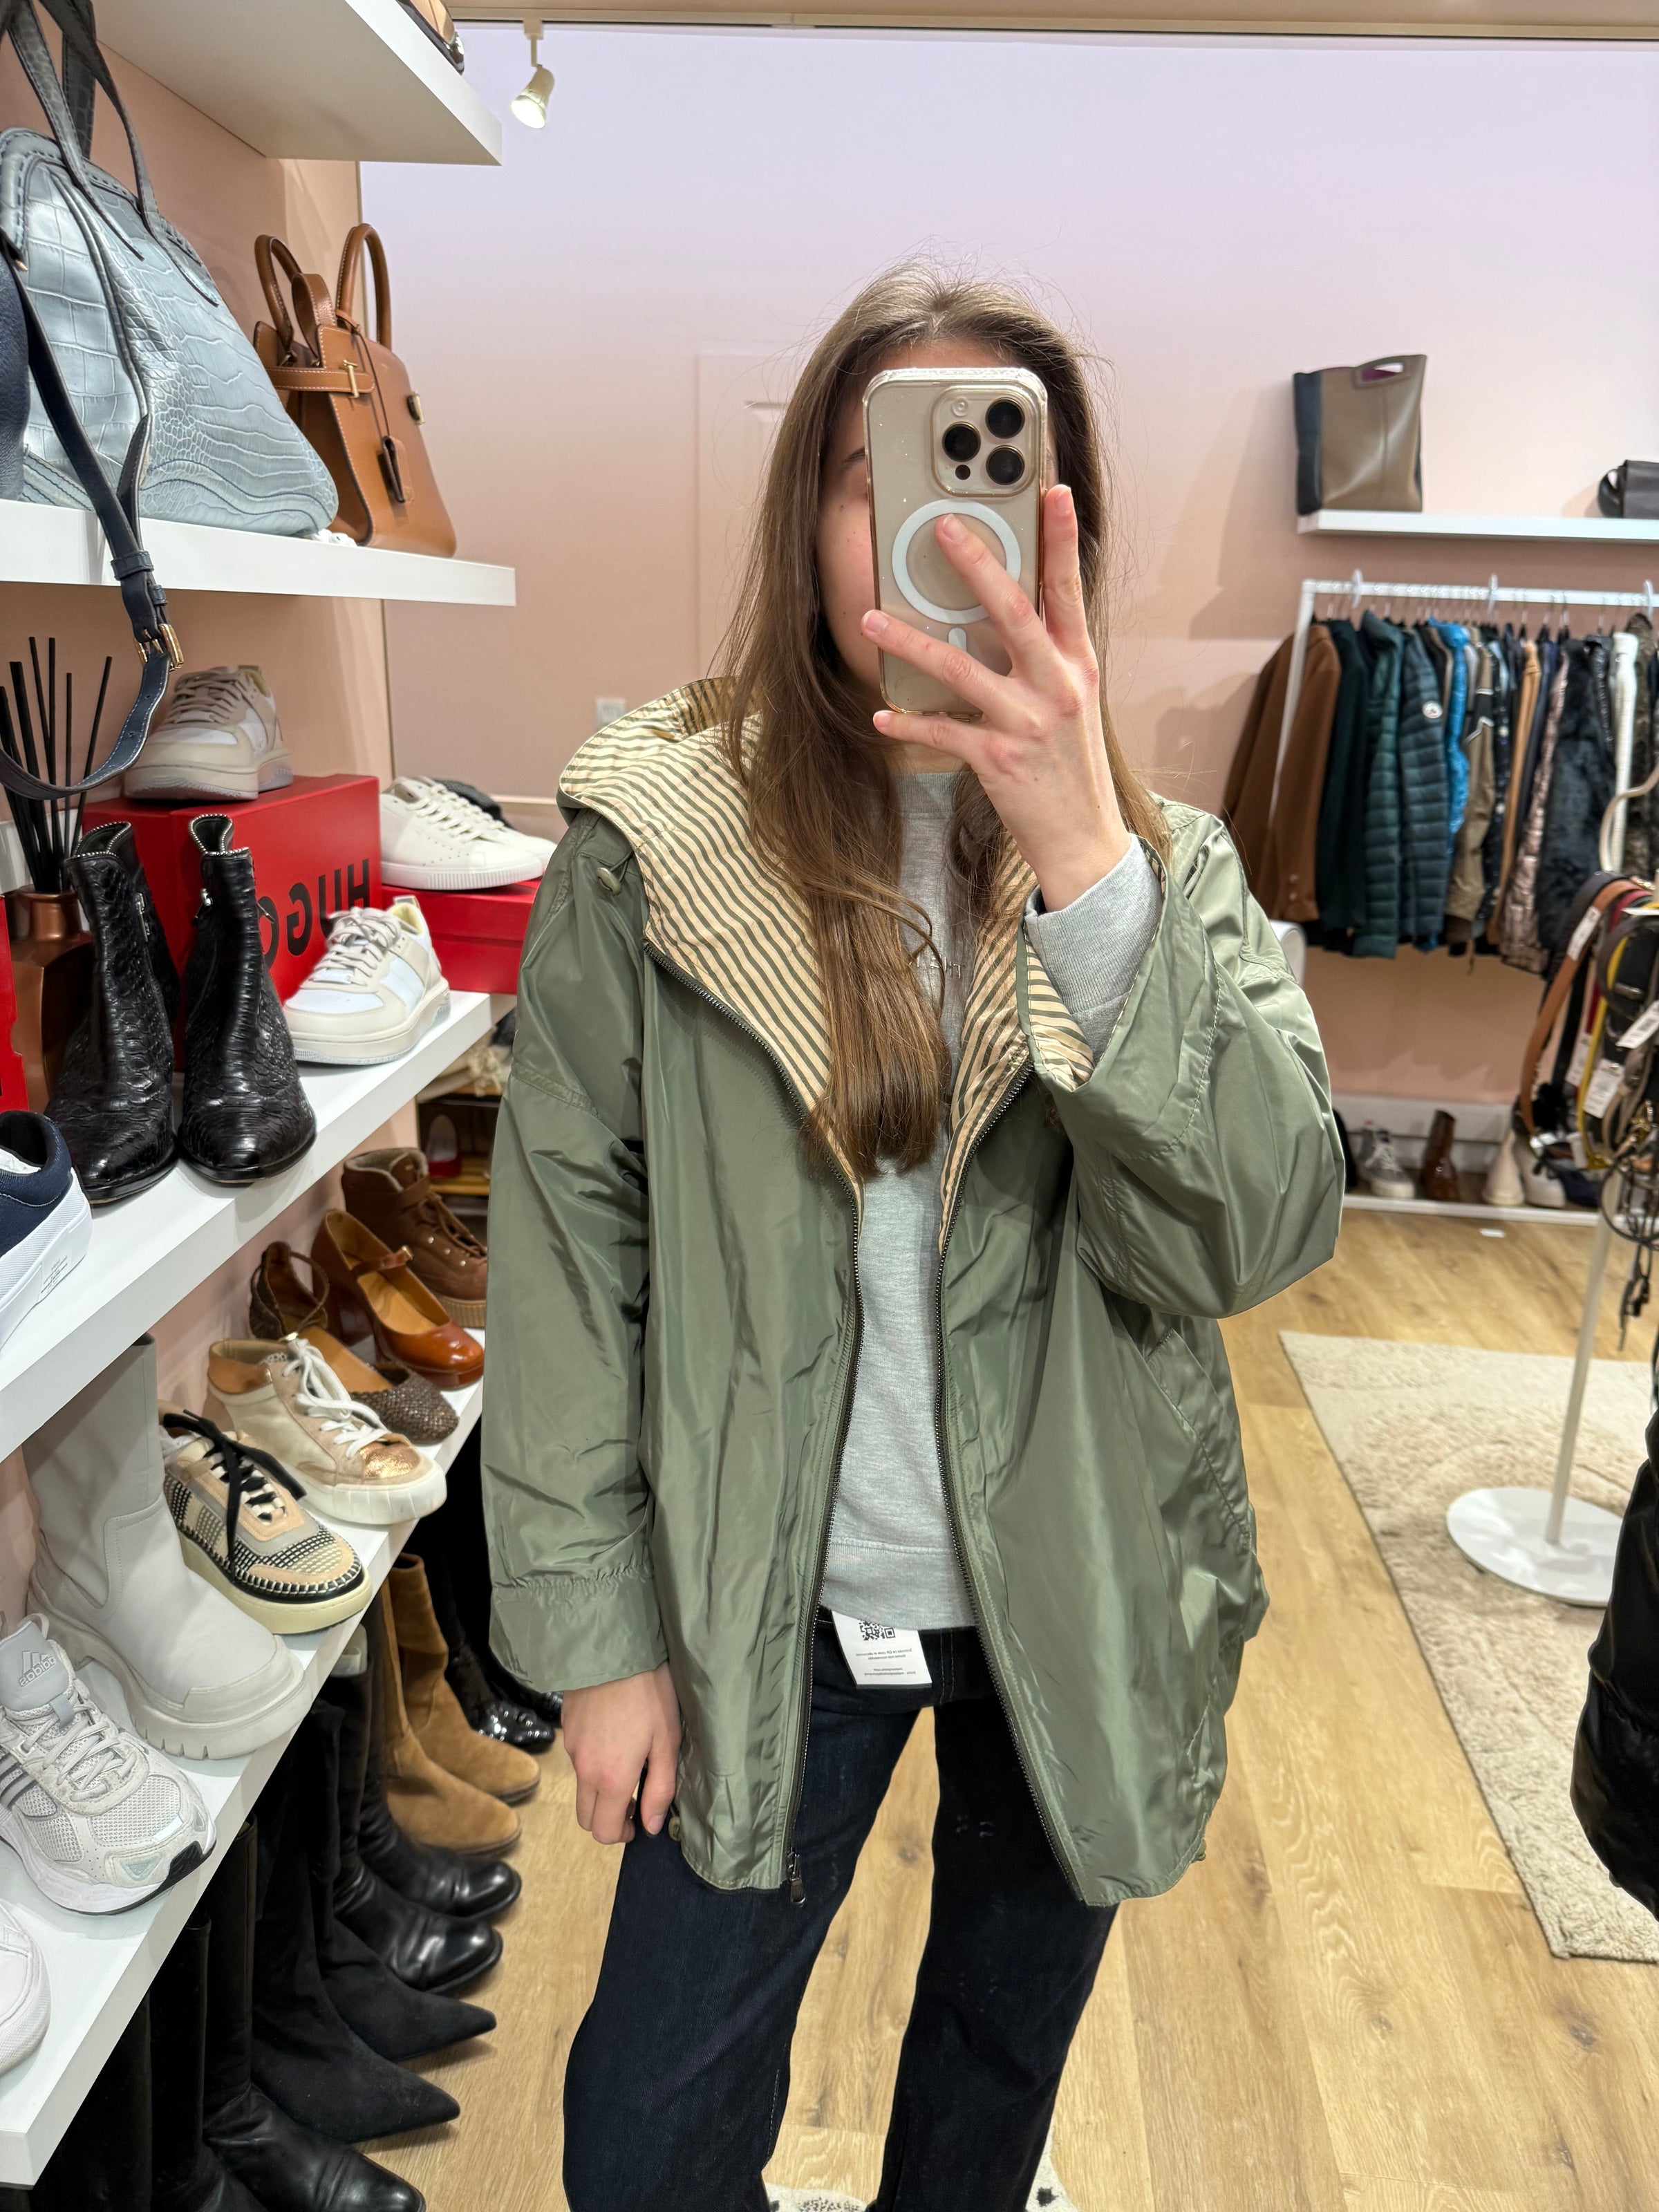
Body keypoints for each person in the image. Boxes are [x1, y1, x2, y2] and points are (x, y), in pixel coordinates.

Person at [481, 266, 1342, 2212]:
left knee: (992, 2078)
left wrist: (1084, 861)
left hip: (1082, 1584)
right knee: (650, 2126)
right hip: (762, 1598)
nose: (949, 530)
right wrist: (598, 1638)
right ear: (811, 507)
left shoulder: (1159, 868)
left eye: (999, 476)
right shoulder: (657, 842)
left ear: (1063, 529)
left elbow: (1264, 1223)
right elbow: (565, 1255)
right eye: (892, 471)